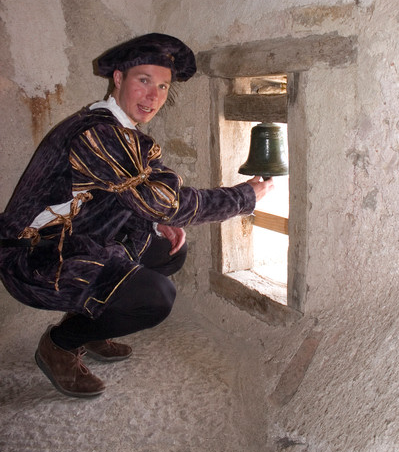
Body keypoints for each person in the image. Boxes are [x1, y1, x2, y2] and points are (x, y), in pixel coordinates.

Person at [0, 33, 273, 398]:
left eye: (162, 86)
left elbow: (129, 198)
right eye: (143, 81)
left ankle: (93, 325)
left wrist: (157, 221)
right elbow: (167, 201)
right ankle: (60, 344)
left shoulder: (122, 131)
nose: (153, 96)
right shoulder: (98, 133)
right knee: (157, 297)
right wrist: (244, 196)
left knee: (168, 249)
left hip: (75, 236)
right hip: (35, 258)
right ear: (118, 78)